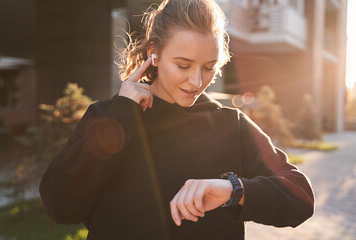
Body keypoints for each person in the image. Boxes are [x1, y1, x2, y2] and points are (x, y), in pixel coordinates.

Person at [39, 0, 315, 239]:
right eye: (183, 65)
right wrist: (122, 115)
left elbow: (300, 197)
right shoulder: (108, 117)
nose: (196, 81)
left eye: (209, 67)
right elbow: (60, 205)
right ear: (153, 54)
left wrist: (232, 190)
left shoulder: (232, 125)